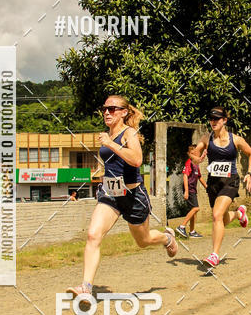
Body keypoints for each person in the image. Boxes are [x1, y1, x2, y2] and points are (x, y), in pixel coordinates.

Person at [66, 95, 177, 297]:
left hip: (133, 196)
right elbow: (113, 162)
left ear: (124, 112)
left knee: (143, 241)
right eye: (104, 109)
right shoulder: (107, 135)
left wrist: (110, 143)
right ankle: (86, 288)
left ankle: (167, 238)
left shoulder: (129, 133)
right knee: (93, 235)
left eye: (112, 109)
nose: (107, 112)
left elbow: (136, 160)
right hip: (110, 194)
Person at [190, 107, 251, 268]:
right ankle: (239, 213)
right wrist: (197, 160)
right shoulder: (206, 138)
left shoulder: (236, 140)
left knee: (216, 214)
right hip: (213, 183)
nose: (213, 121)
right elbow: (193, 154)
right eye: (211, 118)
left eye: (217, 119)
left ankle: (214, 254)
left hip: (230, 181)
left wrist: (249, 173)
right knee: (221, 218)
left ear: (224, 120)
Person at [176, 144, 207, 238]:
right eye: (191, 153)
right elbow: (185, 176)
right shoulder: (189, 162)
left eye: (196, 152)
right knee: (196, 208)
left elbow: (199, 177)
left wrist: (207, 187)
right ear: (189, 154)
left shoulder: (196, 164)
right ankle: (181, 226)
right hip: (189, 188)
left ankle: (192, 232)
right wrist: (186, 191)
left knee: (193, 211)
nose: (194, 154)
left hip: (193, 189)